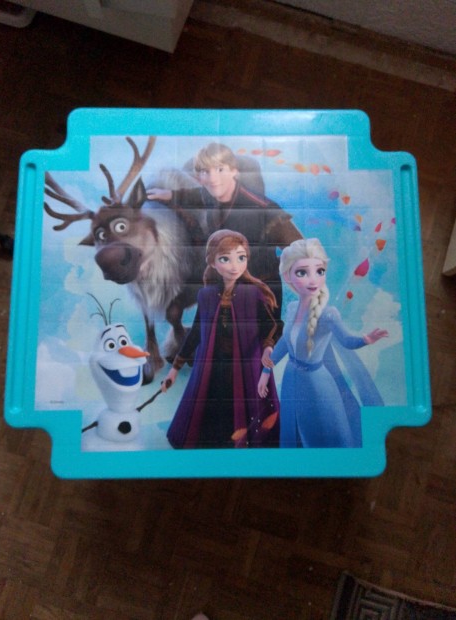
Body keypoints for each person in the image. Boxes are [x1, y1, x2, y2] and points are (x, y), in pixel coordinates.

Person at [147, 142, 302, 319]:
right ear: (199, 176)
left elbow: (300, 250)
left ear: (234, 171)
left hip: (260, 297)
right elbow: (195, 195)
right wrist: (169, 195)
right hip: (226, 292)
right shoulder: (210, 195)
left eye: (220, 169)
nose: (213, 178)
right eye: (205, 171)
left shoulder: (263, 210)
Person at [258, 238, 388, 448]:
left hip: (316, 384)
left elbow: (346, 340)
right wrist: (266, 372)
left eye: (319, 271)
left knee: (324, 431)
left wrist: (365, 339)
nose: (313, 280)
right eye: (302, 272)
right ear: (288, 276)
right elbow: (284, 344)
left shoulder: (329, 314)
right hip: (291, 379)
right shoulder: (292, 309)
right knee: (294, 431)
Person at [162, 229, 280, 449]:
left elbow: (271, 326)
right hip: (213, 366)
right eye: (225, 259)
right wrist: (174, 370)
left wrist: (268, 349)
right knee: (213, 407)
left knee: (245, 407)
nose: (235, 266)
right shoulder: (206, 295)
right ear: (212, 262)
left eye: (241, 258)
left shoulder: (252, 294)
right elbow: (196, 333)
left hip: (246, 365)